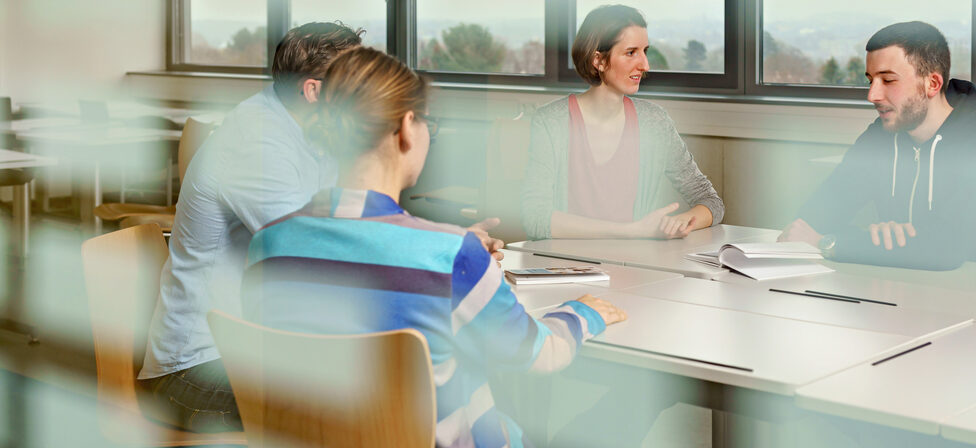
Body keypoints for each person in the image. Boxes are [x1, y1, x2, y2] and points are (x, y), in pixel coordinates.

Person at [243, 47, 627, 448]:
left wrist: (454, 249)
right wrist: (583, 312)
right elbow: (541, 354)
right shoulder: (450, 256)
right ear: (408, 126)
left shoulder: (268, 244)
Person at [136, 22, 505, 432]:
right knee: (402, 407)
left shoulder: (313, 132)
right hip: (198, 370)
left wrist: (446, 248)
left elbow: (358, 224)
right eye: (352, 76)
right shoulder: (255, 144)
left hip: (273, 353)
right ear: (314, 90)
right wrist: (445, 250)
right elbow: (321, 249)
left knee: (428, 393)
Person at [778, 21, 976, 271]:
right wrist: (885, 243)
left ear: (932, 84)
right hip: (909, 291)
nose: (872, 95)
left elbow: (943, 250)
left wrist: (832, 242)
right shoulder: (881, 137)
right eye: (871, 80)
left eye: (888, 80)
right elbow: (812, 219)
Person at [523, 4, 724, 240]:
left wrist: (680, 222)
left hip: (637, 268)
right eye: (631, 52)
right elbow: (535, 218)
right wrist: (630, 231)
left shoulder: (654, 122)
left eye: (645, 51)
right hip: (568, 270)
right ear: (598, 60)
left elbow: (711, 202)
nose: (645, 65)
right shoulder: (551, 122)